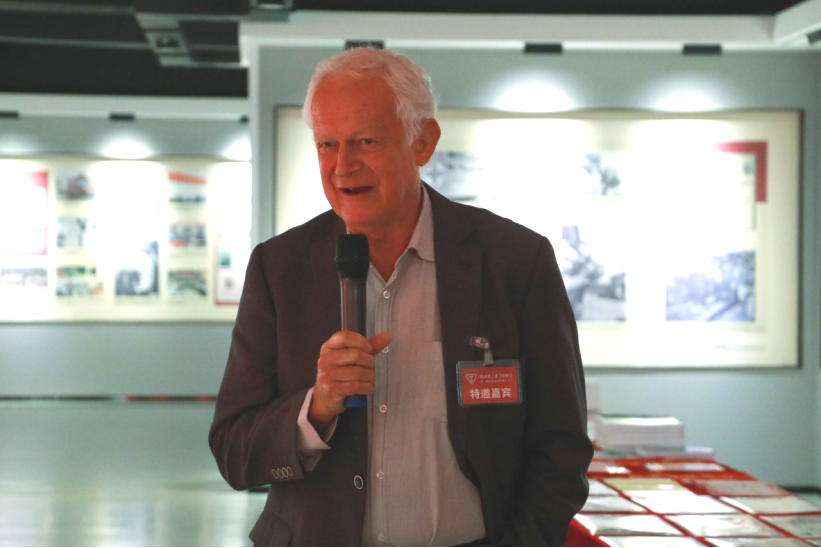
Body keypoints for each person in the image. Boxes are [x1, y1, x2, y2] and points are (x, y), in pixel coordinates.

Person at [209, 47, 592, 547]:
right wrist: (316, 408)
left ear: (423, 141)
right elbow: (234, 451)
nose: (343, 166)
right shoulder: (280, 267)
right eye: (327, 144)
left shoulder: (514, 261)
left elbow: (560, 444)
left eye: (365, 141)